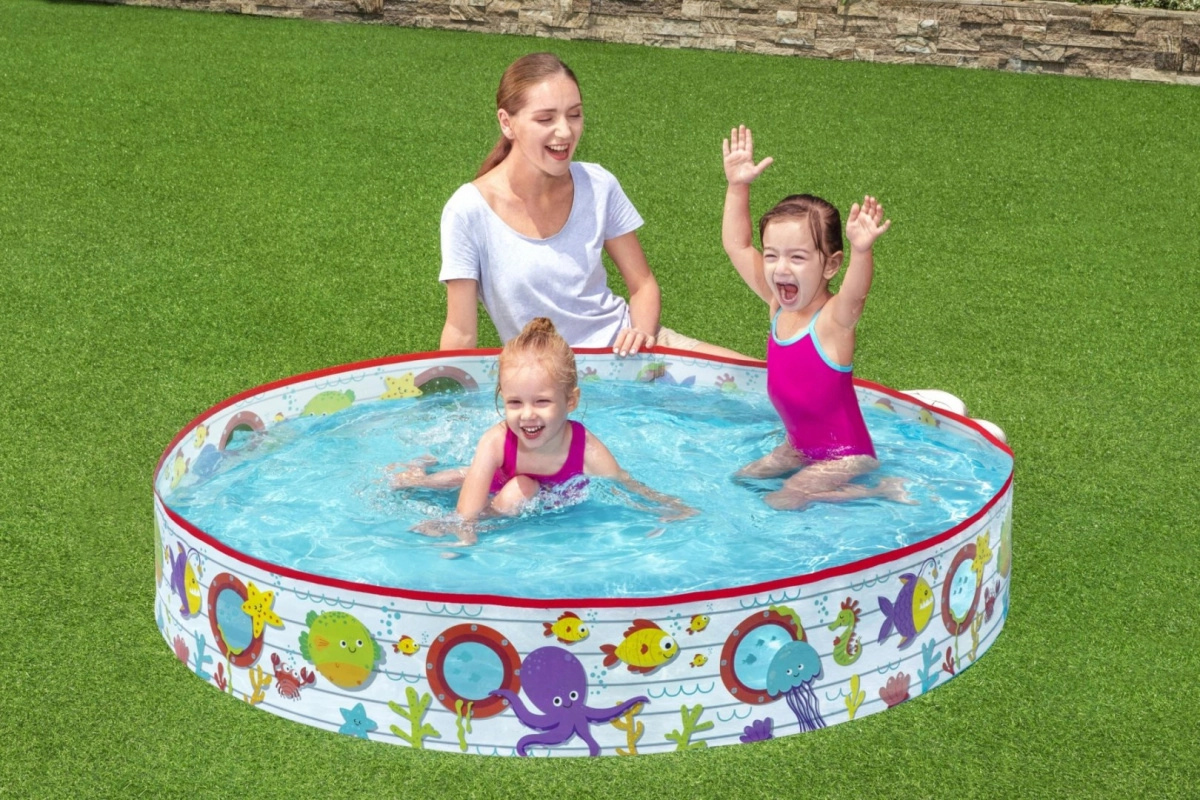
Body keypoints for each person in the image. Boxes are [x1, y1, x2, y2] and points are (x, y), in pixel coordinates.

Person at [438, 52, 746, 359]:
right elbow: (461, 333)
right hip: (548, 376)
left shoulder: (598, 184)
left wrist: (641, 334)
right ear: (507, 123)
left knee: (759, 379)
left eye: (574, 115)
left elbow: (643, 284)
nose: (565, 131)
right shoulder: (468, 211)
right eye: (546, 119)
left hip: (632, 350)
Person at [721, 125, 914, 511]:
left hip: (846, 456)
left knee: (783, 500)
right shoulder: (778, 305)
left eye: (797, 257)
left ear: (830, 265)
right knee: (741, 480)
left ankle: (878, 490)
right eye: (772, 255)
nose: (780, 268)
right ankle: (852, 488)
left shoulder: (832, 323)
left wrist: (862, 251)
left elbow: (855, 295)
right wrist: (737, 187)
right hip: (800, 447)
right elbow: (738, 245)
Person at [392, 317, 695, 543]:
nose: (527, 415)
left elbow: (626, 486)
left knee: (520, 487)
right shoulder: (496, 440)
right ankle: (416, 474)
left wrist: (668, 506)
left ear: (570, 401)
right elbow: (467, 512)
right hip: (500, 490)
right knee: (479, 479)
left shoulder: (585, 448)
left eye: (542, 401)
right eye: (514, 402)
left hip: (531, 499)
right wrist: (461, 531)